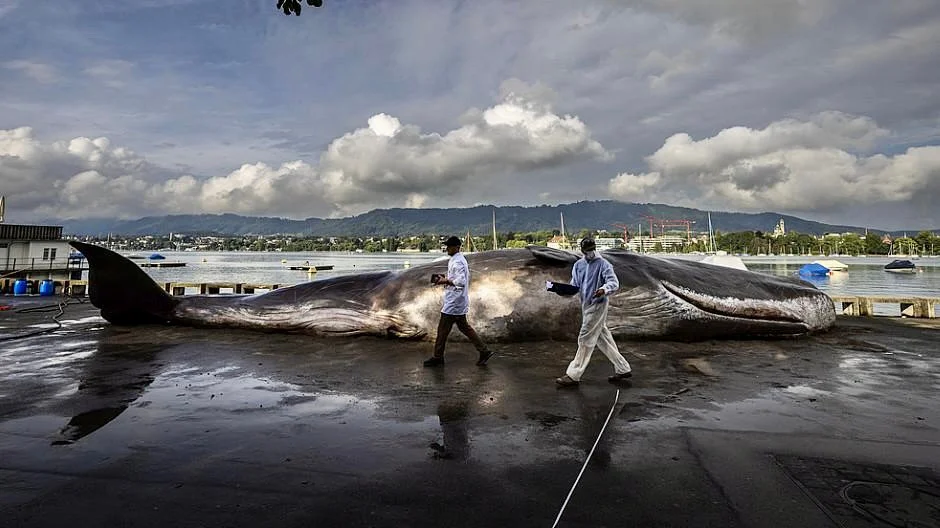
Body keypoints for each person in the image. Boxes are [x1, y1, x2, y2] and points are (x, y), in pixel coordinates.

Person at [555, 238, 632, 387]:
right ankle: (623, 368)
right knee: (603, 338)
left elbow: (613, 282)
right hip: (586, 305)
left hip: (598, 304)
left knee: (585, 338)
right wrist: (561, 290)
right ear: (583, 251)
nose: (589, 253)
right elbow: (574, 286)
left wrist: (604, 289)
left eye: (591, 249)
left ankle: (573, 374)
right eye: (586, 251)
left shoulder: (604, 264)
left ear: (594, 248)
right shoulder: (579, 265)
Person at [423, 236, 494, 367]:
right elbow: (458, 278)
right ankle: (484, 350)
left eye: (449, 247)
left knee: (442, 330)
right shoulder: (457, 260)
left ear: (457, 247)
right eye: (447, 246)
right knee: (464, 327)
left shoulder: (457, 262)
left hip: (454, 302)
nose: (447, 249)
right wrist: (446, 279)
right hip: (457, 300)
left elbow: (460, 282)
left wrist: (445, 281)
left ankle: (437, 357)